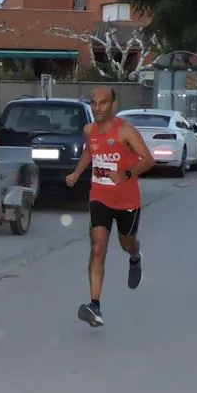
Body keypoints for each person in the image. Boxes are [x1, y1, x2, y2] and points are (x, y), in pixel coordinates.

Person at [64, 87, 155, 328]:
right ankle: (95, 306)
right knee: (97, 249)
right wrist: (76, 173)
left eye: (102, 103)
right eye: (93, 103)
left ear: (114, 105)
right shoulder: (89, 130)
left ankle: (134, 256)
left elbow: (148, 159)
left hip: (127, 201)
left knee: (126, 243)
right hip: (100, 196)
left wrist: (126, 174)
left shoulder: (125, 131)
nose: (97, 108)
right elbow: (90, 151)